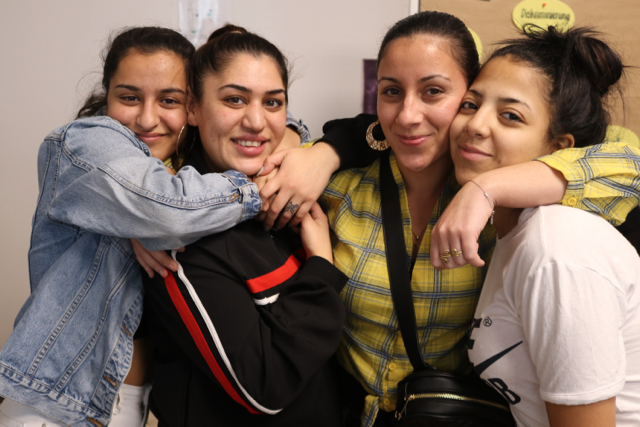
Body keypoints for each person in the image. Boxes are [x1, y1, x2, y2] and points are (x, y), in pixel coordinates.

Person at [248, 11, 640, 427]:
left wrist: (486, 190)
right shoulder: (340, 186)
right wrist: (318, 149)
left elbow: (627, 163)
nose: (407, 115)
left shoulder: (513, 206)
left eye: (434, 91)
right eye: (391, 91)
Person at [0, 26, 308, 427]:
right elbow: (167, 210)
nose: (147, 118)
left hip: (129, 402)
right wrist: (261, 184)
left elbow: (266, 123)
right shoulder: (84, 142)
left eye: (169, 100)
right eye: (129, 97)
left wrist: (292, 142)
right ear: (107, 97)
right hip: (54, 406)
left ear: (193, 107)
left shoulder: (177, 169)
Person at [142, 28, 347, 427]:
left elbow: (370, 130)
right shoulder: (182, 236)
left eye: (272, 102)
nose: (256, 121)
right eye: (234, 99)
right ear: (193, 108)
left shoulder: (284, 189)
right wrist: (322, 266)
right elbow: (264, 387)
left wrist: (325, 154)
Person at [452, 26, 639, 426]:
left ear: (559, 149)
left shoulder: (558, 249)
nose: (475, 125)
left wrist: (484, 188)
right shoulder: (514, 229)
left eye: (510, 116)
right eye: (470, 104)